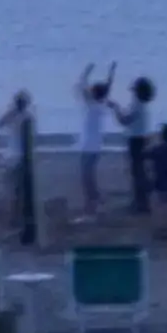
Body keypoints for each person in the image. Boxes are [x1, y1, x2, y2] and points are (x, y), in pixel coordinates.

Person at [72, 62, 115, 220]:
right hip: (95, 147)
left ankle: (92, 208)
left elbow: (80, 84)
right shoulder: (101, 103)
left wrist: (87, 70)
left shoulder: (91, 105)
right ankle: (95, 203)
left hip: (88, 147)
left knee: (87, 179)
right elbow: (107, 87)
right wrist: (111, 73)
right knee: (89, 178)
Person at [109, 76, 156, 214]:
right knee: (139, 171)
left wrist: (115, 108)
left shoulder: (137, 105)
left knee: (137, 172)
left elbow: (124, 120)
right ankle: (141, 201)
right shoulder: (142, 105)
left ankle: (140, 203)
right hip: (142, 138)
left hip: (135, 140)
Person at [0, 89, 33, 231]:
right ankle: (17, 216)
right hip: (20, 156)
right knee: (19, 189)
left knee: (13, 189)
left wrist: (10, 113)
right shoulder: (27, 117)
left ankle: (14, 217)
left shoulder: (13, 116)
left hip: (12, 156)